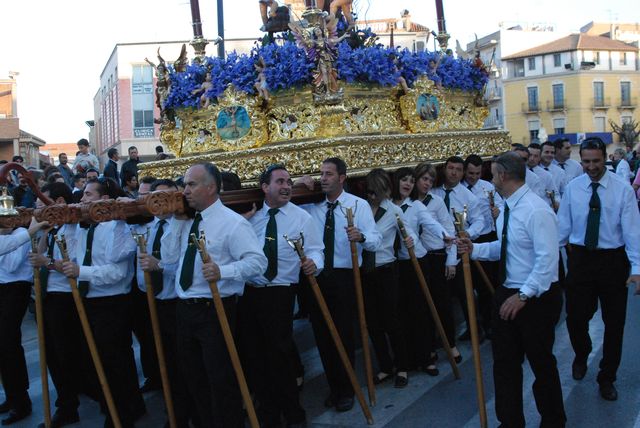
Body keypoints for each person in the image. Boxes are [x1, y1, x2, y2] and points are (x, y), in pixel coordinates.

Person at [458, 151, 566, 428]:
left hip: (535, 297)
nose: (490, 179)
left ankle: (553, 421)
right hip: (508, 291)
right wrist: (475, 249)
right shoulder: (508, 207)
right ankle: (510, 421)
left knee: (541, 362)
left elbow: (547, 261)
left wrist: (523, 296)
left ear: (503, 175)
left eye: (492, 174)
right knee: (505, 364)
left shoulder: (536, 210)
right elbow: (506, 249)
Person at [160, 163, 267, 427]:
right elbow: (169, 259)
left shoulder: (233, 223)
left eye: (191, 185)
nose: (185, 190)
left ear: (211, 187)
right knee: (193, 378)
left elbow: (258, 263)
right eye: (185, 184)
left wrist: (224, 271)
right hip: (185, 310)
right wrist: (174, 222)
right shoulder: (185, 221)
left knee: (220, 379)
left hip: (215, 309)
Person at [239, 164, 322, 428]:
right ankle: (268, 412)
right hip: (250, 293)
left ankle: (293, 411)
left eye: (288, 181)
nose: (286, 186)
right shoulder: (250, 219)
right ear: (265, 187)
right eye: (280, 182)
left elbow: (317, 250)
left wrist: (314, 263)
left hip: (280, 293)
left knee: (280, 355)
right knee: (255, 355)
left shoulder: (301, 218)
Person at [558, 137, 640, 401]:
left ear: (604, 157)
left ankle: (607, 377)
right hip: (581, 260)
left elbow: (632, 232)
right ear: (579, 159)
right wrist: (544, 261)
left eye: (595, 161)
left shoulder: (622, 190)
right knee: (575, 317)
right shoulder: (573, 188)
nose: (591, 167)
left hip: (612, 262)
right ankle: (582, 353)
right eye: (585, 162)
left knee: (614, 324)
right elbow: (562, 229)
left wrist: (637, 269)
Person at [298, 157, 382, 412]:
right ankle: (334, 387)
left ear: (342, 177)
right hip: (317, 275)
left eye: (329, 174)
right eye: (321, 173)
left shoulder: (358, 205)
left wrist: (361, 236)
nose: (323, 178)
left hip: (345, 277)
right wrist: (298, 183)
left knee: (343, 335)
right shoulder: (311, 205)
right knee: (322, 336)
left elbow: (376, 241)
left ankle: (347, 389)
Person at [61, 178, 145, 427]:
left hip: (112, 303)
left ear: (105, 199)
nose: (83, 199)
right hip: (88, 301)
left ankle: (121, 413)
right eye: (83, 194)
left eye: (89, 195)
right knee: (95, 360)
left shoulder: (117, 227)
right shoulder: (82, 227)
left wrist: (81, 273)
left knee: (115, 361)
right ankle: (118, 406)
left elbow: (116, 273)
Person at [136, 179, 193, 427]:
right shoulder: (149, 226)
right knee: (165, 363)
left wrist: (159, 265)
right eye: (154, 197)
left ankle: (188, 414)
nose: (159, 202)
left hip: (177, 303)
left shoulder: (185, 224)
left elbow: (184, 264)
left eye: (165, 196)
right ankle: (175, 413)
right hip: (153, 302)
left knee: (184, 365)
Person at [392, 167, 459, 375]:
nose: (408, 184)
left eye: (411, 181)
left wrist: (445, 235)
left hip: (419, 260)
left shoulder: (417, 206)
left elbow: (431, 223)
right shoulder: (387, 205)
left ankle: (428, 355)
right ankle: (408, 359)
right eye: (405, 180)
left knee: (423, 309)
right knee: (404, 313)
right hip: (396, 263)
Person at [28, 183, 84, 428]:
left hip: (65, 297)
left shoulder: (74, 228)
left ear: (59, 202)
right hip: (47, 295)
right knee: (51, 354)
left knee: (67, 356)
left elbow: (71, 264)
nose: (40, 211)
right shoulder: (51, 229)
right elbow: (37, 259)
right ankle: (67, 402)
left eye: (44, 206)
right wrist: (43, 233)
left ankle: (72, 403)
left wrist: (47, 260)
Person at [362, 169, 413, 388]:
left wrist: (411, 241)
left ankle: (402, 365)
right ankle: (385, 365)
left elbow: (409, 235)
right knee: (372, 323)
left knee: (392, 320)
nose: (374, 196)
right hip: (364, 272)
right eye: (371, 192)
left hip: (386, 270)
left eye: (379, 192)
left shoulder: (394, 211)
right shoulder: (360, 208)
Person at [432, 156, 487, 340]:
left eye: (458, 169)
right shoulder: (435, 191)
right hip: (438, 248)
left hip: (459, 248)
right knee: (442, 295)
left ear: (462, 172)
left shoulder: (467, 196)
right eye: (450, 168)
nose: (453, 172)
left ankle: (475, 328)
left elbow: (479, 220)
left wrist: (467, 235)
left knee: (465, 292)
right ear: (444, 169)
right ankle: (445, 336)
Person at [413, 162, 460, 367]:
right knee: (422, 306)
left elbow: (449, 230)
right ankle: (428, 347)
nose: (427, 183)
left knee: (442, 303)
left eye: (431, 180)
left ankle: (450, 343)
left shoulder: (437, 201)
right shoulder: (408, 202)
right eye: (424, 178)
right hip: (419, 259)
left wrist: (451, 260)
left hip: (438, 255)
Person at [462, 154, 503, 337]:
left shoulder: (488, 187)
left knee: (487, 285)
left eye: (477, 173)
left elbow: (501, 205)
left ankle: (490, 322)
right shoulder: (458, 189)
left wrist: (497, 210)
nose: (474, 177)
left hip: (486, 238)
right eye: (470, 173)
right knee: (467, 287)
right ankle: (473, 325)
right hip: (465, 239)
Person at [0, 225, 35, 425]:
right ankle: (11, 396)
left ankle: (22, 400)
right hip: (2, 286)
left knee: (9, 342)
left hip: (16, 287)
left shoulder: (22, 232)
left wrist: (4, 240)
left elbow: (12, 265)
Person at [527, 143, 560, 209]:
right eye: (530, 155)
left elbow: (555, 194)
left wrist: (555, 203)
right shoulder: (519, 172)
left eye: (536, 156)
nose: (532, 158)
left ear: (540, 158)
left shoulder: (547, 175)